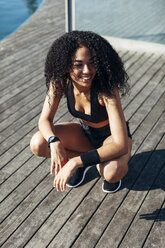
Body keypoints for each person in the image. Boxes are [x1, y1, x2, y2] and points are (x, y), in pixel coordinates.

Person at [30, 30, 132, 193]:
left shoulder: (106, 89)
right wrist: (53, 141)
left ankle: (86, 163)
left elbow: (121, 145)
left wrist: (74, 162)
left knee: (111, 172)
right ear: (66, 65)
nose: (87, 70)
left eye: (92, 63)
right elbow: (44, 119)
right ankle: (88, 163)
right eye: (78, 65)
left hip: (111, 139)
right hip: (85, 135)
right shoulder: (60, 81)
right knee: (38, 144)